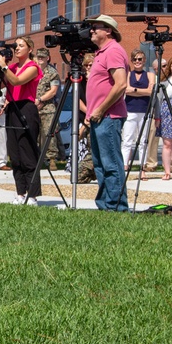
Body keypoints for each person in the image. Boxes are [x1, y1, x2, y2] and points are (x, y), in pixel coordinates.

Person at [84, 15, 129, 211]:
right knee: (100, 164)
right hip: (98, 117)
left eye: (96, 27)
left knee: (111, 163)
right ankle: (105, 205)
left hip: (108, 116)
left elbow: (120, 84)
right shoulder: (101, 52)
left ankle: (117, 207)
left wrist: (101, 109)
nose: (91, 30)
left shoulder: (113, 51)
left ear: (108, 30)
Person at [0, 37, 42, 203]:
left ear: (30, 49)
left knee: (27, 151)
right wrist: (0, 66)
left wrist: (3, 66)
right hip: (12, 108)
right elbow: (2, 85)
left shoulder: (33, 67)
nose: (17, 49)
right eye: (15, 46)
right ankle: (20, 192)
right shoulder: (13, 67)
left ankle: (32, 194)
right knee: (14, 153)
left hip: (27, 108)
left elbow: (16, 81)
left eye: (21, 45)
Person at [121, 49, 154, 172]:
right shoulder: (128, 74)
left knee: (143, 140)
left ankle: (142, 167)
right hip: (130, 110)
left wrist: (134, 90)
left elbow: (150, 92)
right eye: (135, 59)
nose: (137, 61)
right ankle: (124, 165)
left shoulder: (150, 75)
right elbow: (126, 90)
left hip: (144, 110)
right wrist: (141, 91)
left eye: (140, 59)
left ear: (144, 60)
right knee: (127, 139)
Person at [35, 47, 61, 171]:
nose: (40, 59)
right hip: (33, 107)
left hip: (47, 108)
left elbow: (53, 91)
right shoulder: (32, 71)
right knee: (34, 135)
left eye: (42, 57)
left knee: (48, 133)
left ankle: (51, 159)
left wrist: (40, 100)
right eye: (38, 57)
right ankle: (36, 159)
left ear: (47, 58)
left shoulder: (53, 72)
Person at [76, 53, 96, 183]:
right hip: (85, 117)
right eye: (86, 65)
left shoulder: (100, 80)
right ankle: (92, 173)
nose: (88, 67)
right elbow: (77, 99)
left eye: (91, 65)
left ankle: (94, 171)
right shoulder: (80, 81)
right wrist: (87, 115)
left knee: (95, 148)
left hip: (96, 117)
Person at [142, 58, 163, 175]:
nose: (160, 70)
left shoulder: (168, 82)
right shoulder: (152, 80)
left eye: (163, 67)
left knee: (168, 141)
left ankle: (165, 164)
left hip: (165, 112)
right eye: (156, 68)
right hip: (151, 111)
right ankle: (149, 163)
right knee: (149, 138)